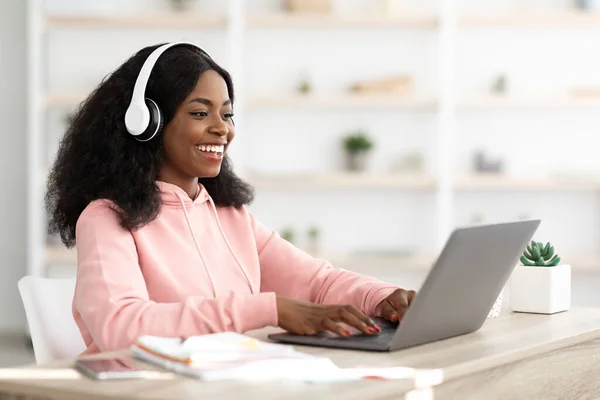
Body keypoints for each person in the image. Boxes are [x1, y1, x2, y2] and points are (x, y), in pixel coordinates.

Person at [45, 42, 417, 355]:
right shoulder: (106, 218)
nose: (222, 128)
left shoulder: (229, 216)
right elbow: (119, 328)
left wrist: (381, 297)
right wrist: (267, 309)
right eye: (200, 112)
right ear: (146, 122)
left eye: (227, 114)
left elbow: (316, 282)